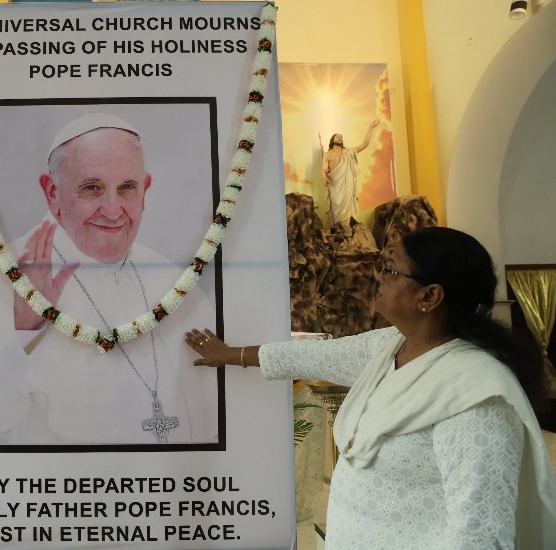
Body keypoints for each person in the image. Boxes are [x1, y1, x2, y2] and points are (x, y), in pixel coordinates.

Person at [185, 226, 556, 548]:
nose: (378, 276)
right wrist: (231, 354)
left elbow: (481, 533)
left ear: (430, 296)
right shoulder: (391, 346)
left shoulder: (475, 394)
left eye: (391, 269)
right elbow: (316, 357)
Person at [0, 113, 219, 446]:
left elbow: (211, 413)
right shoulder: (1, 274)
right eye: (92, 188)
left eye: (127, 188)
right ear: (52, 192)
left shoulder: (171, 279)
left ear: (145, 190)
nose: (112, 210)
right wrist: (24, 329)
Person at [323, 119, 379, 225]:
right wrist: (324, 177)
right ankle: (336, 234)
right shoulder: (327, 154)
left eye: (341, 137)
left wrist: (371, 127)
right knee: (334, 213)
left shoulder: (348, 152)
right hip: (334, 187)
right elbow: (323, 169)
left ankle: (346, 233)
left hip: (347, 187)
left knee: (346, 216)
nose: (340, 138)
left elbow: (364, 144)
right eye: (337, 136)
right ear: (332, 140)